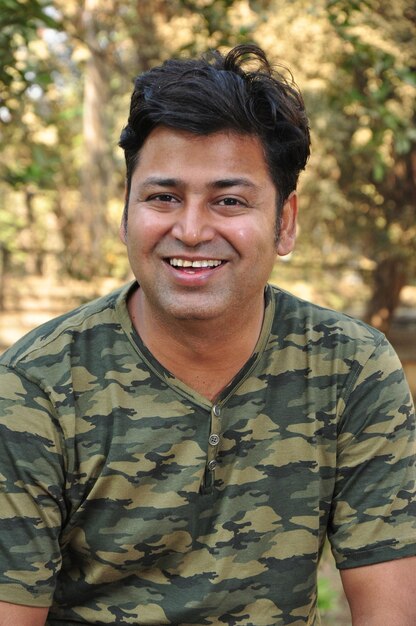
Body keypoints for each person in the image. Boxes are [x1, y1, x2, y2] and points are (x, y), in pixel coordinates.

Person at [0, 43, 415, 626]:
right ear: (125, 214)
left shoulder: (351, 369)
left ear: (286, 222)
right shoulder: (34, 385)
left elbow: (390, 608)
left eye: (228, 201)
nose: (191, 230)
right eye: (163, 197)